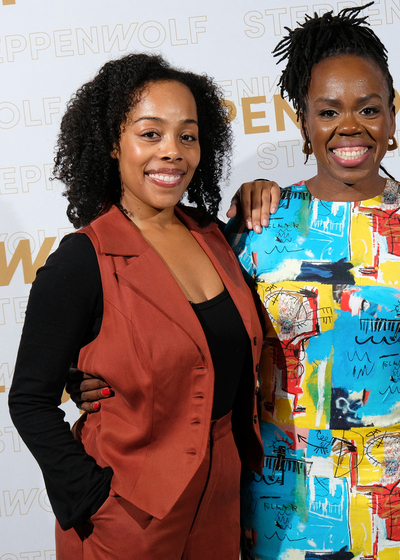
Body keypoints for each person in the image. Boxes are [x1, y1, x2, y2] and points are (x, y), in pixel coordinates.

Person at [224, 7, 400, 559]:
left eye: (369, 109)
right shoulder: (259, 223)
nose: (349, 127)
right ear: (303, 120)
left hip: (390, 493)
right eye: (328, 111)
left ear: (393, 116)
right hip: (280, 493)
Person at [8, 53, 263, 559]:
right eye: (151, 134)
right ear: (111, 143)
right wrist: (93, 501)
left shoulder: (215, 238)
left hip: (223, 506)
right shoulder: (83, 259)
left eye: (187, 136)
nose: (172, 152)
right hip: (129, 516)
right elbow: (29, 402)